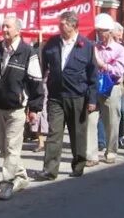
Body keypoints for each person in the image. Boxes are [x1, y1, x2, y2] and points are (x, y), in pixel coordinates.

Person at [0, 16, 44, 200]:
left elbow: (36, 80)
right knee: (4, 148)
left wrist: (34, 107)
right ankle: (22, 176)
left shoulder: (27, 52)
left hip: (17, 108)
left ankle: (6, 184)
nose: (4, 29)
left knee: (11, 146)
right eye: (2, 26)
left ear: (18, 30)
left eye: (7, 26)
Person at [36, 11, 97, 180]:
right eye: (59, 24)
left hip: (77, 96)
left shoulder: (86, 45)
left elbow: (93, 75)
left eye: (63, 25)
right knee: (54, 133)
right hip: (56, 96)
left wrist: (92, 100)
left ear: (74, 26)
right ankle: (49, 170)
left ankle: (78, 165)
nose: (60, 27)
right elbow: (43, 67)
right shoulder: (52, 43)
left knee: (77, 133)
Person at [90, 13, 124, 165]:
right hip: (94, 86)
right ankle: (91, 155)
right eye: (98, 31)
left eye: (103, 31)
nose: (100, 34)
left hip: (111, 87)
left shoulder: (119, 49)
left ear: (110, 31)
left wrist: (102, 64)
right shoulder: (94, 47)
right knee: (90, 121)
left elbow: (119, 71)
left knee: (111, 120)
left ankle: (111, 151)